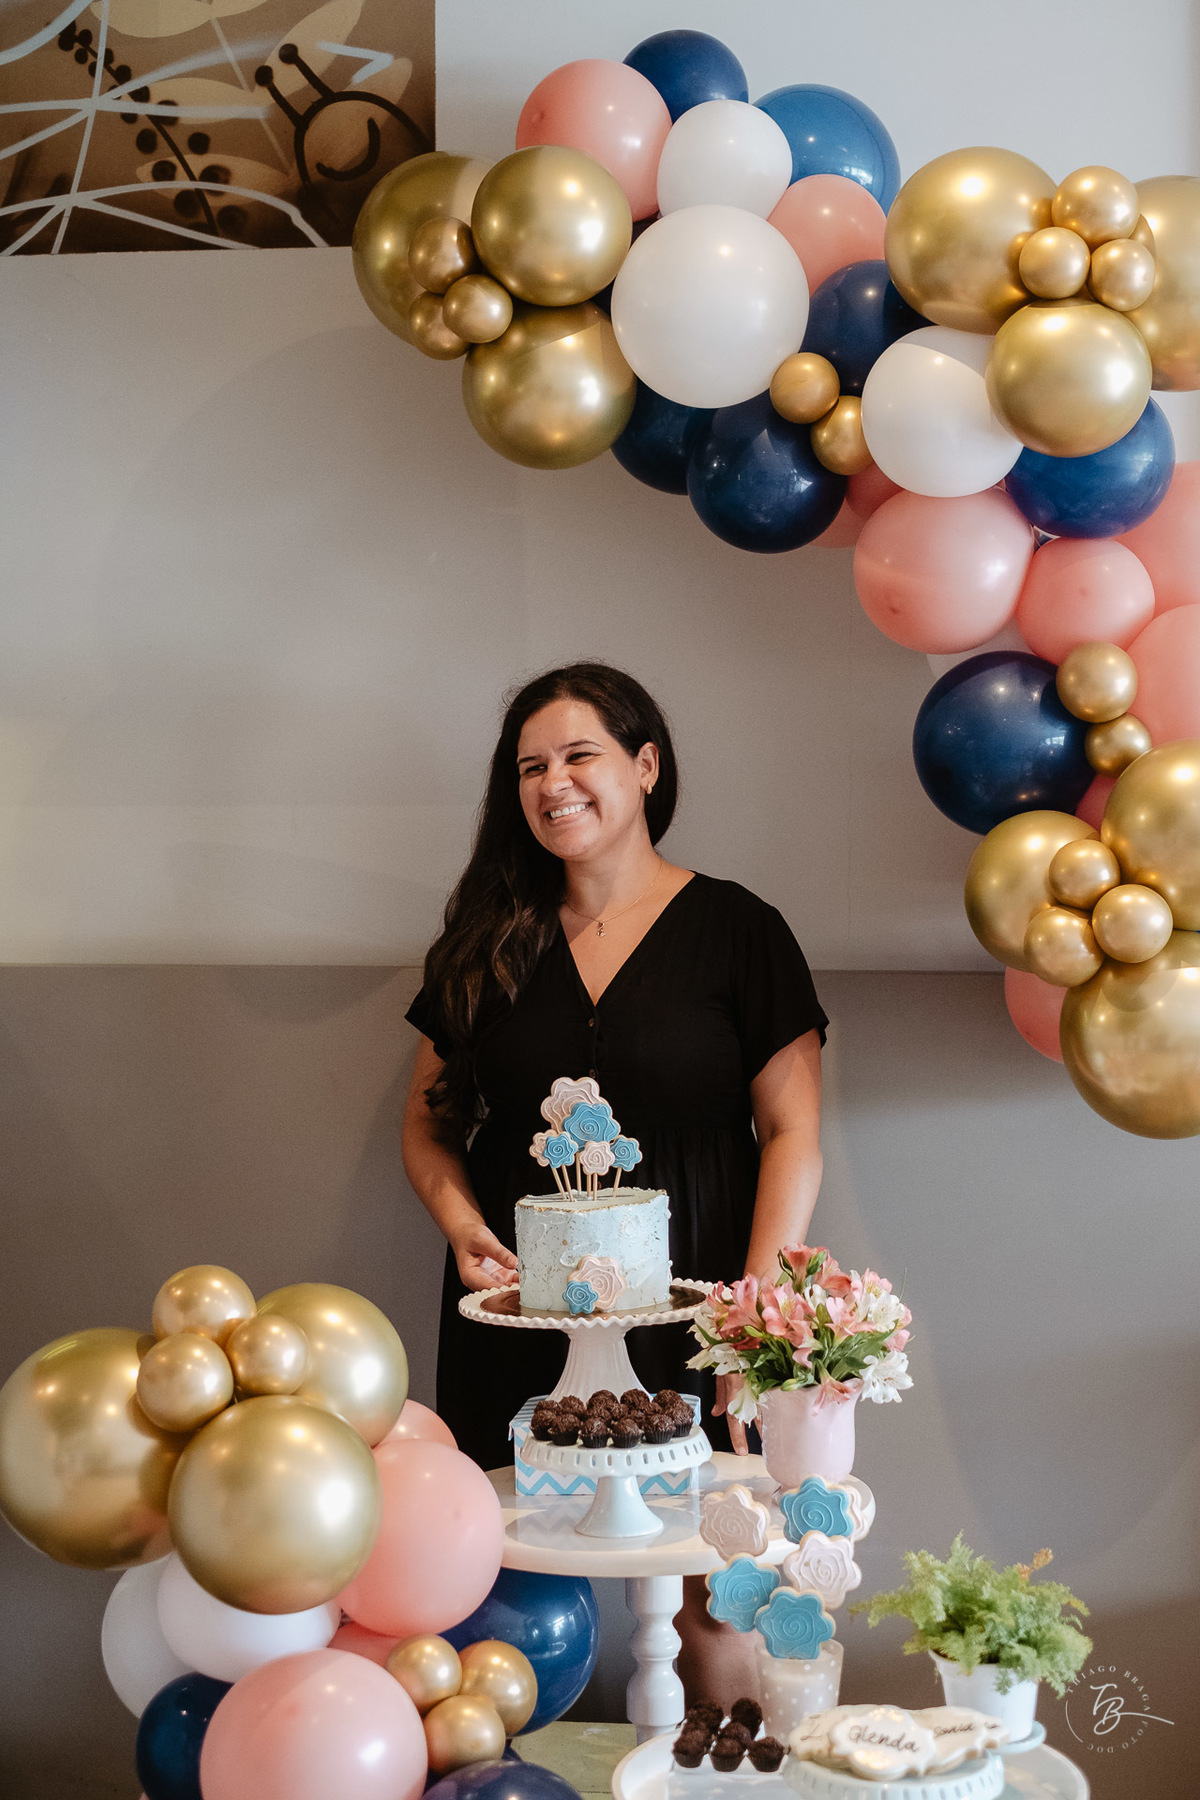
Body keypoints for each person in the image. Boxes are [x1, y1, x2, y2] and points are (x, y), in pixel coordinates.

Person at [402, 661, 826, 1702]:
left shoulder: (738, 929)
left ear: (644, 766)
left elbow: (794, 1131)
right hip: (524, 1302)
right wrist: (462, 1228)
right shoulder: (485, 945)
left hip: (703, 1300)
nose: (554, 784)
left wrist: (749, 1322)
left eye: (580, 755)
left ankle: (725, 1771)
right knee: (501, 1569)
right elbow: (426, 1124)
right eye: (530, 767)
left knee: (706, 1580)